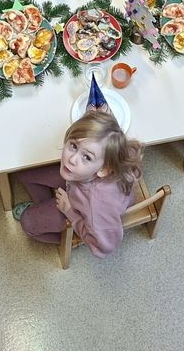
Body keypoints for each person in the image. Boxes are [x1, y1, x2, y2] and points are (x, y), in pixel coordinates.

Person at [14, 109, 144, 258]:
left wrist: (69, 212)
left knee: (28, 222)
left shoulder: (97, 209)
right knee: (25, 171)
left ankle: (64, 238)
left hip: (83, 210)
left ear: (104, 169)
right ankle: (42, 206)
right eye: (74, 146)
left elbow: (106, 247)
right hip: (81, 181)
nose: (72, 159)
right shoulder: (110, 148)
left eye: (87, 157)